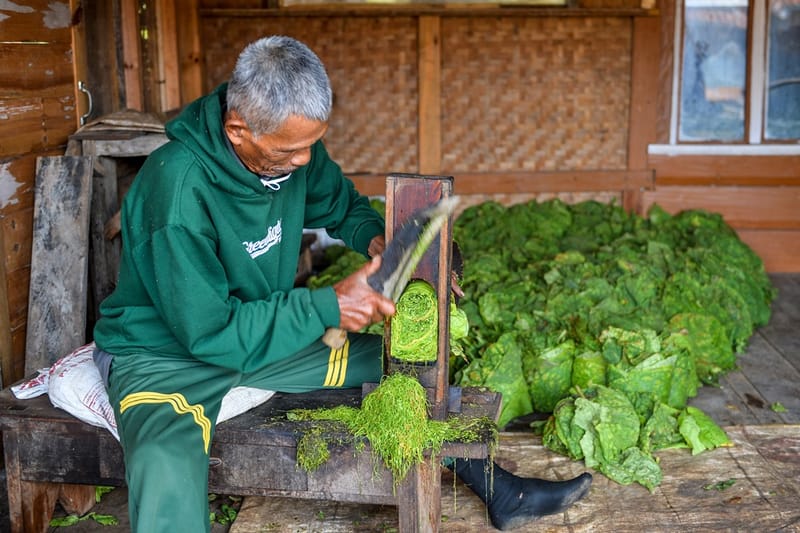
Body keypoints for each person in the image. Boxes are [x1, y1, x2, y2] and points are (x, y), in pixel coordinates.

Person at [92, 35, 591, 532]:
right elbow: (210, 334)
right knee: (163, 467)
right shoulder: (176, 191)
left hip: (261, 333)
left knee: (408, 368)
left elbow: (342, 205)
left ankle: (502, 491)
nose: (304, 161)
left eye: (311, 144)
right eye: (291, 150)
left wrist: (382, 242)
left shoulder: (288, 145)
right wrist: (327, 306)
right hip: (166, 355)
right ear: (238, 128)